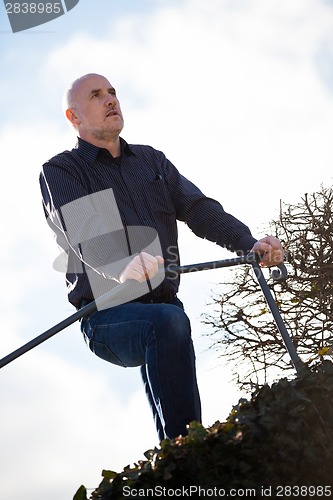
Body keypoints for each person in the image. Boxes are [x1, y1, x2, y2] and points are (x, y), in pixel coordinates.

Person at [39, 73, 284, 442]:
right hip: (105, 315)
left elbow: (198, 209)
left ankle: (179, 449)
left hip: (164, 305)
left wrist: (247, 243)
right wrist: (120, 265)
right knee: (167, 322)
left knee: (168, 319)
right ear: (74, 117)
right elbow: (86, 231)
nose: (110, 100)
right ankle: (188, 452)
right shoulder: (62, 170)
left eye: (112, 92)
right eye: (96, 95)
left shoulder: (151, 161)